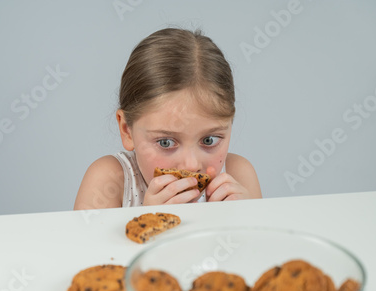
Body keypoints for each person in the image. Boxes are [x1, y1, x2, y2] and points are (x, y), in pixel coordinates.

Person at [74, 28, 262, 210]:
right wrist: (146, 220)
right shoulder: (110, 180)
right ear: (126, 130)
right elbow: (85, 243)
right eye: (165, 142)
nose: (191, 165)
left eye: (208, 140)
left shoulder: (239, 175)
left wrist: (245, 220)